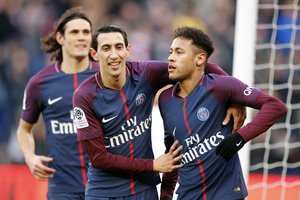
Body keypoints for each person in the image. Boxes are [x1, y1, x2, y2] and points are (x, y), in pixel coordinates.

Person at [72, 24, 246, 199]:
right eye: (106, 48)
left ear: (128, 50)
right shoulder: (84, 96)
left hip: (144, 190)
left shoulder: (145, 74)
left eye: (119, 47)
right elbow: (99, 158)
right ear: (95, 54)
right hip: (104, 192)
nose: (114, 55)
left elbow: (197, 65)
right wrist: (153, 165)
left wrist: (235, 98)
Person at [158, 26, 287, 200]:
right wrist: (166, 193)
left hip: (227, 195)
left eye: (179, 52)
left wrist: (239, 138)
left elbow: (275, 106)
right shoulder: (165, 100)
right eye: (171, 51)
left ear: (199, 59)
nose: (170, 57)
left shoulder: (220, 87)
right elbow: (173, 152)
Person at [16, 7, 98, 200]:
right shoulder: (39, 83)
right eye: (75, 32)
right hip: (62, 188)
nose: (81, 37)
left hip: (103, 185)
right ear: (60, 38)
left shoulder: (105, 76)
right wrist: (30, 157)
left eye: (86, 32)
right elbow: (24, 129)